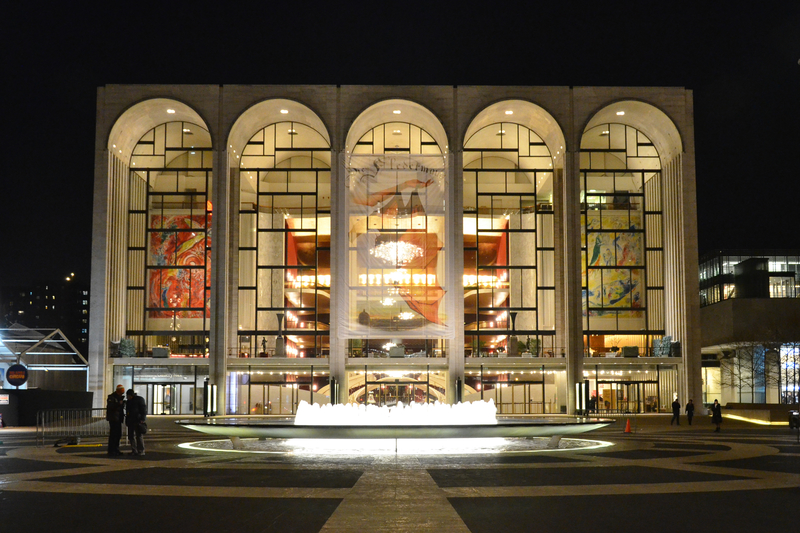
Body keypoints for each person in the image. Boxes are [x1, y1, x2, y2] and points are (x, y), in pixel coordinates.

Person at [125, 389, 147, 455]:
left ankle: (140, 450)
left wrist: (142, 419)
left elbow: (143, 410)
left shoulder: (139, 400)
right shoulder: (130, 401)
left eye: (128, 396)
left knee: (138, 435)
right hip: (131, 420)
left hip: (137, 420)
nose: (127, 397)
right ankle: (135, 450)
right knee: (131, 436)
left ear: (131, 395)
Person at [106, 384, 126, 456]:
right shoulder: (112, 397)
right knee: (113, 435)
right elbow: (111, 407)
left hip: (118, 418)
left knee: (118, 435)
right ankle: (112, 450)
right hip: (113, 419)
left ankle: (116, 449)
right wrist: (118, 404)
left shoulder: (119, 398)